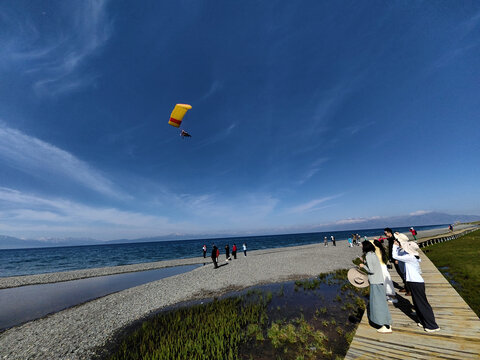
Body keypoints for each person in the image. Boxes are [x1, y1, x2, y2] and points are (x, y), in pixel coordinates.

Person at [392, 238, 440, 332]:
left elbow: (395, 256)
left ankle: (432, 326)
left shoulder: (410, 257)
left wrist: (395, 246)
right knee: (418, 304)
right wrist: (399, 244)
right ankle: (423, 321)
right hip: (414, 282)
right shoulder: (412, 255)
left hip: (416, 283)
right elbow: (400, 254)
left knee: (422, 304)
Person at [359, 241, 392, 333]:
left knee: (378, 303)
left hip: (375, 282)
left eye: (362, 245)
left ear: (365, 247)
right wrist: (365, 262)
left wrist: (363, 266)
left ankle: (384, 325)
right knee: (381, 302)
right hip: (379, 281)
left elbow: (371, 270)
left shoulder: (368, 255)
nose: (361, 247)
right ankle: (387, 323)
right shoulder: (372, 254)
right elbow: (374, 264)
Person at [371, 239, 397, 303]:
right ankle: (389, 295)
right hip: (383, 266)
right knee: (386, 281)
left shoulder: (376, 250)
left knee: (385, 281)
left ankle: (392, 296)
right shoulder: (380, 248)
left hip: (380, 267)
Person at [384, 228, 409, 295]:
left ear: (389, 233)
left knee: (402, 273)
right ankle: (406, 287)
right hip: (394, 258)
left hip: (397, 259)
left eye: (385, 233)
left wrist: (396, 259)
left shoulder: (394, 239)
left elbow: (397, 248)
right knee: (400, 273)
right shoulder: (390, 239)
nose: (385, 235)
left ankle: (408, 289)